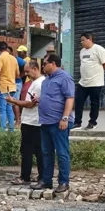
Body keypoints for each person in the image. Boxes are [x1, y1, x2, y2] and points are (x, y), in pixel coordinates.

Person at [32, 54, 74, 193]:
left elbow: (69, 98)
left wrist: (65, 118)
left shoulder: (64, 78)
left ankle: (63, 182)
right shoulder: (46, 81)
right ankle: (46, 180)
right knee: (46, 153)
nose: (43, 66)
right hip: (45, 122)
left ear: (53, 63)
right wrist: (39, 99)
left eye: (45, 63)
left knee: (62, 153)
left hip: (58, 122)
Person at [7, 60, 45, 185]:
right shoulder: (36, 83)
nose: (27, 74)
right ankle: (41, 176)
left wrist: (14, 102)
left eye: (28, 71)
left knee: (27, 150)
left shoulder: (39, 84)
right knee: (37, 150)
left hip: (32, 121)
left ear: (35, 69)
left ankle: (25, 176)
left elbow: (30, 104)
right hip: (33, 121)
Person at [74, 32, 105, 130]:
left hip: (96, 82)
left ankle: (92, 122)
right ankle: (77, 122)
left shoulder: (99, 49)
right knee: (78, 101)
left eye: (83, 40)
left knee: (94, 103)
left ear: (89, 39)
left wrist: (99, 72)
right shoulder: (82, 51)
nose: (81, 42)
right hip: (83, 82)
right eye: (81, 40)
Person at [0, 41, 20, 132]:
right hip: (12, 87)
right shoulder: (13, 59)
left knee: (2, 110)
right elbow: (18, 74)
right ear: (7, 48)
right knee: (9, 108)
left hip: (3, 87)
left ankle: (3, 130)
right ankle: (11, 129)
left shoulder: (0, 58)